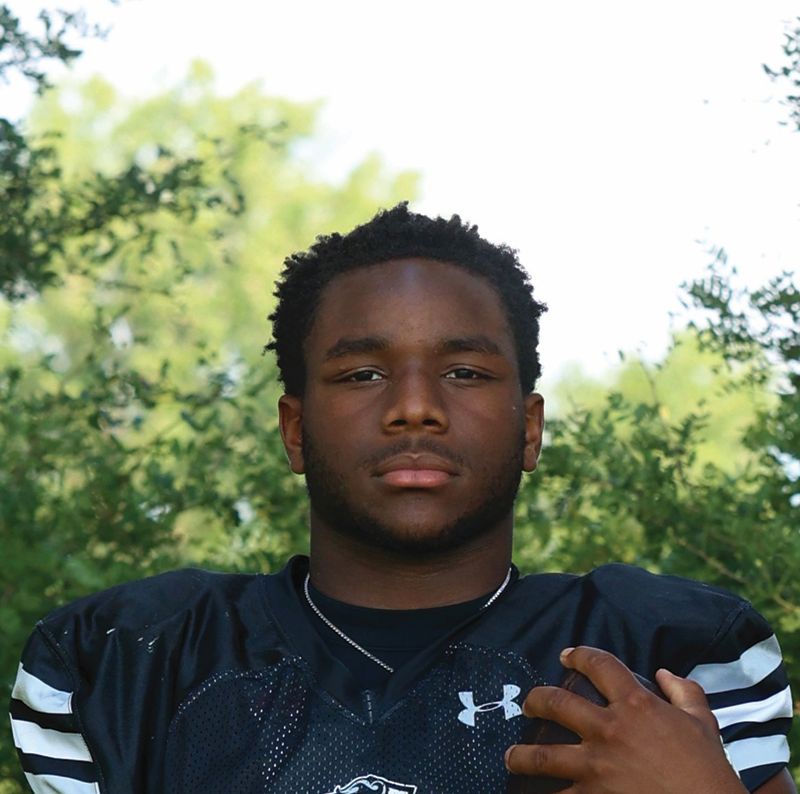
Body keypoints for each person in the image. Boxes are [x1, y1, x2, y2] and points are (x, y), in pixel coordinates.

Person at [9, 204, 794, 793]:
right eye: (362, 374)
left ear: (529, 428)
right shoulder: (130, 663)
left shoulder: (666, 653)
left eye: (464, 373)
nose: (414, 407)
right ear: (295, 430)